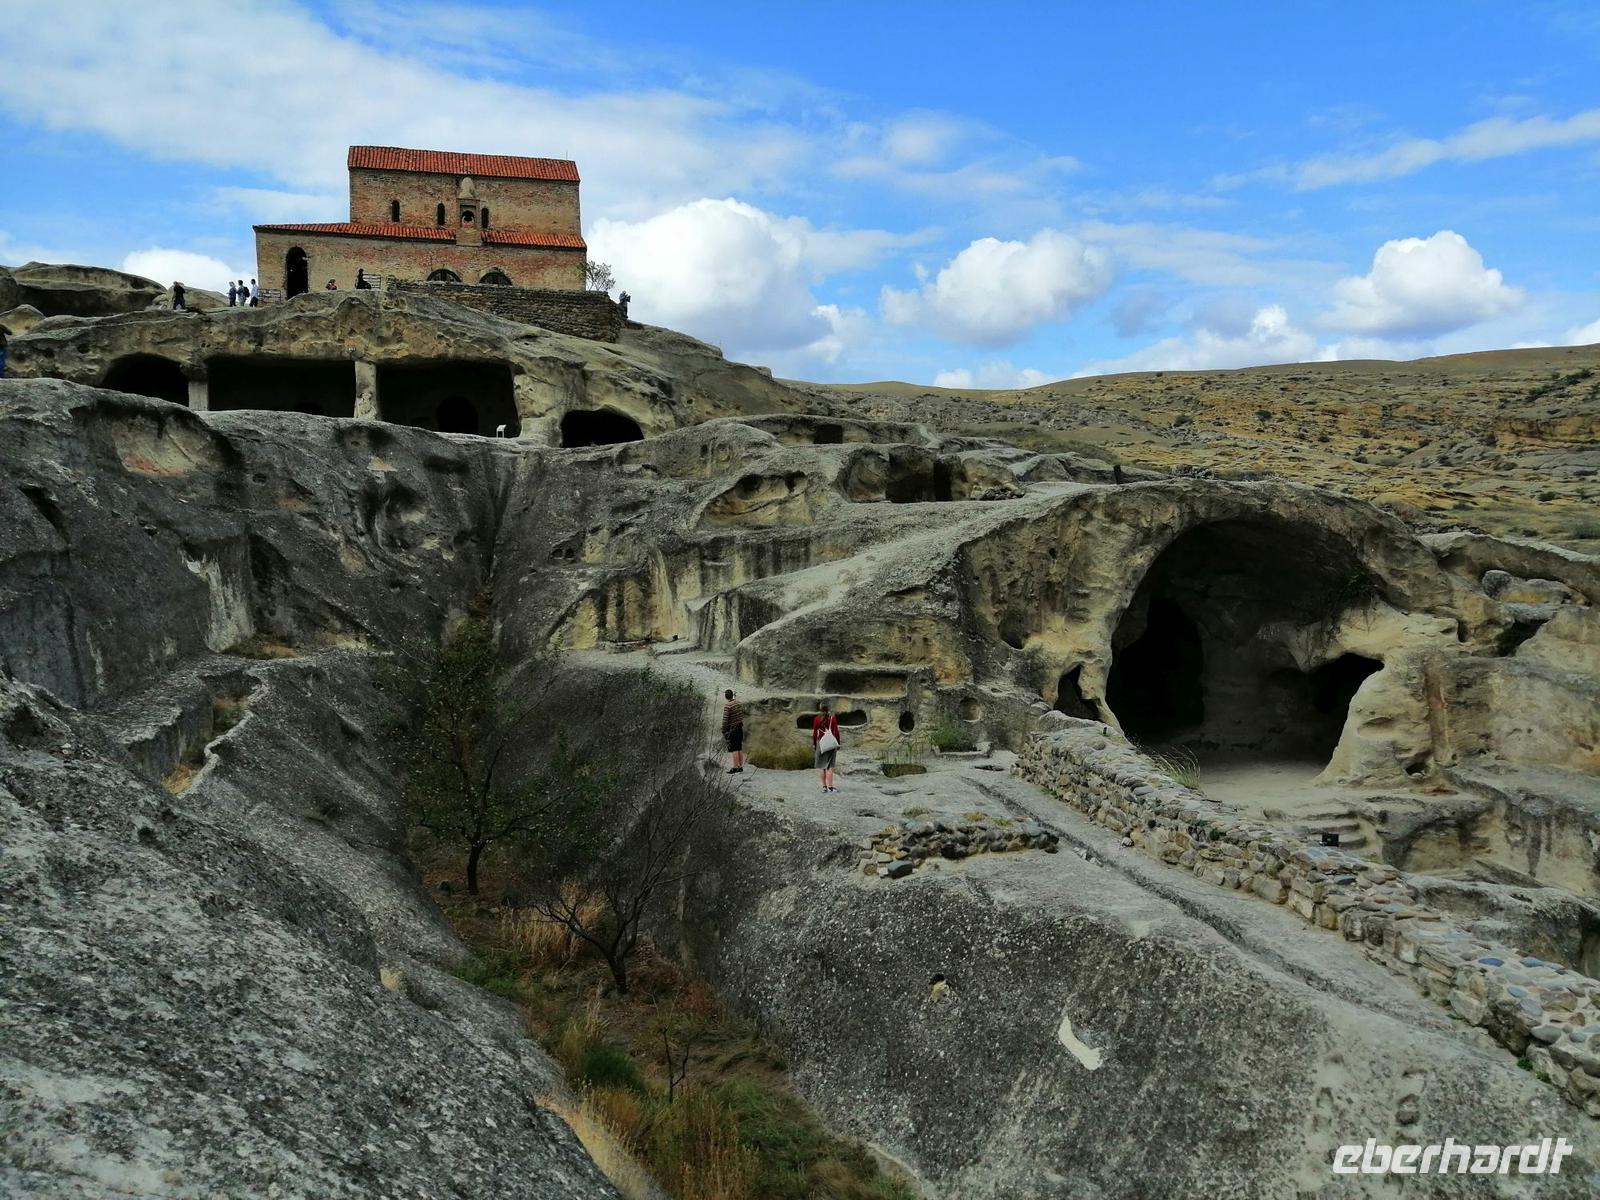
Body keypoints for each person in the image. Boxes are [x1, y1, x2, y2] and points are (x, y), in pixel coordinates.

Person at [811, 701, 841, 793]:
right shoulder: (832, 719)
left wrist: (814, 744)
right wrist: (838, 743)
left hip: (820, 743)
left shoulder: (816, 719)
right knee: (830, 767)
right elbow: (836, 732)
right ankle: (830, 788)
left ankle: (824, 787)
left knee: (821, 766)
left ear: (820, 709)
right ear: (829, 709)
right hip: (831, 744)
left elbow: (815, 733)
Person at [721, 688, 745, 774]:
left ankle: (735, 767)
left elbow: (725, 720)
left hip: (732, 730)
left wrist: (724, 730)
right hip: (740, 728)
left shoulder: (728, 706)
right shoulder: (739, 703)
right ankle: (740, 767)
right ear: (732, 695)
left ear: (726, 697)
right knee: (739, 747)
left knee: (734, 749)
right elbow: (742, 715)